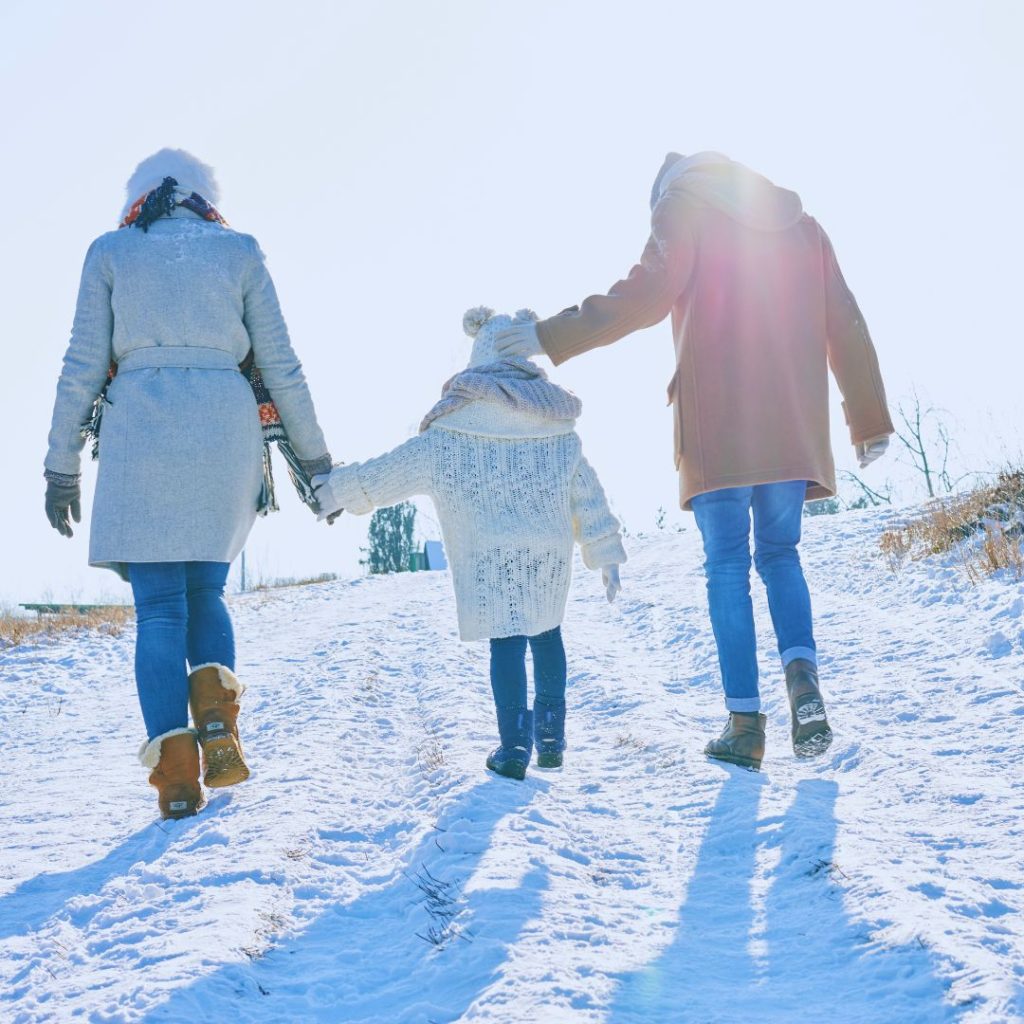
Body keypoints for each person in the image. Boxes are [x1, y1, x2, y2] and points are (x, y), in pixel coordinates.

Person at [495, 152, 894, 770]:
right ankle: (802, 678)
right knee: (782, 555)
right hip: (792, 420)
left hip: (718, 424)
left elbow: (647, 293)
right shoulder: (802, 226)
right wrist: (868, 420)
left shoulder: (681, 210)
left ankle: (744, 726)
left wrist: (551, 336)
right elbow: (843, 316)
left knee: (728, 565)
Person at [43, 149, 332, 818]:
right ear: (204, 197)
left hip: (141, 427)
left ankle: (176, 778)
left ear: (139, 197)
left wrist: (60, 464)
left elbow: (81, 364)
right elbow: (283, 367)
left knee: (160, 611)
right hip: (223, 433)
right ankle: (219, 726)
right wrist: (316, 462)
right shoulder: (240, 251)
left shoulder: (111, 252)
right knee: (205, 592)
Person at [313, 307, 626, 779]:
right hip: (548, 552)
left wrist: (335, 491)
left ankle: (514, 748)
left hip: (490, 553)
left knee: (507, 641)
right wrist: (605, 554)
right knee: (547, 633)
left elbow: (385, 475)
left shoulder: (450, 432)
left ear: (477, 360)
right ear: (525, 362)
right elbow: (589, 496)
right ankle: (552, 740)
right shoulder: (557, 425)